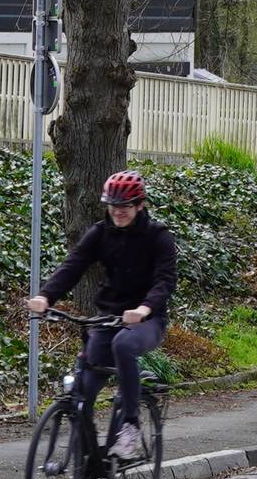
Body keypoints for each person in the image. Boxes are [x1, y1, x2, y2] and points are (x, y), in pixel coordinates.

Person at [26, 171, 176, 461]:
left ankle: (130, 426)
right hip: (108, 318)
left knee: (124, 345)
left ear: (140, 205)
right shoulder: (100, 232)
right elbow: (74, 265)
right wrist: (46, 296)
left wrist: (144, 309)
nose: (118, 212)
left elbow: (165, 281)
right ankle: (86, 470)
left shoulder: (158, 236)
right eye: (113, 205)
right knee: (82, 391)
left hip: (147, 320)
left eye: (126, 206)